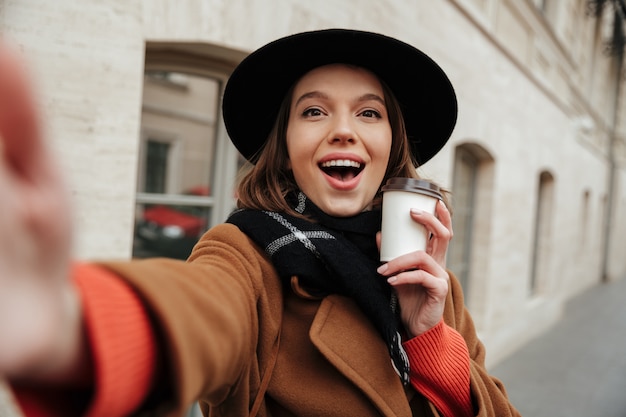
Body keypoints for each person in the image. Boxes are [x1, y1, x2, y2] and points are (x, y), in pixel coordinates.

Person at [0, 29, 521, 416]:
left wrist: (429, 339)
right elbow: (201, 308)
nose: (343, 130)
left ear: (392, 145)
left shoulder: (434, 283)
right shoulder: (246, 253)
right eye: (314, 112)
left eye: (369, 113)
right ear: (286, 147)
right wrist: (71, 323)